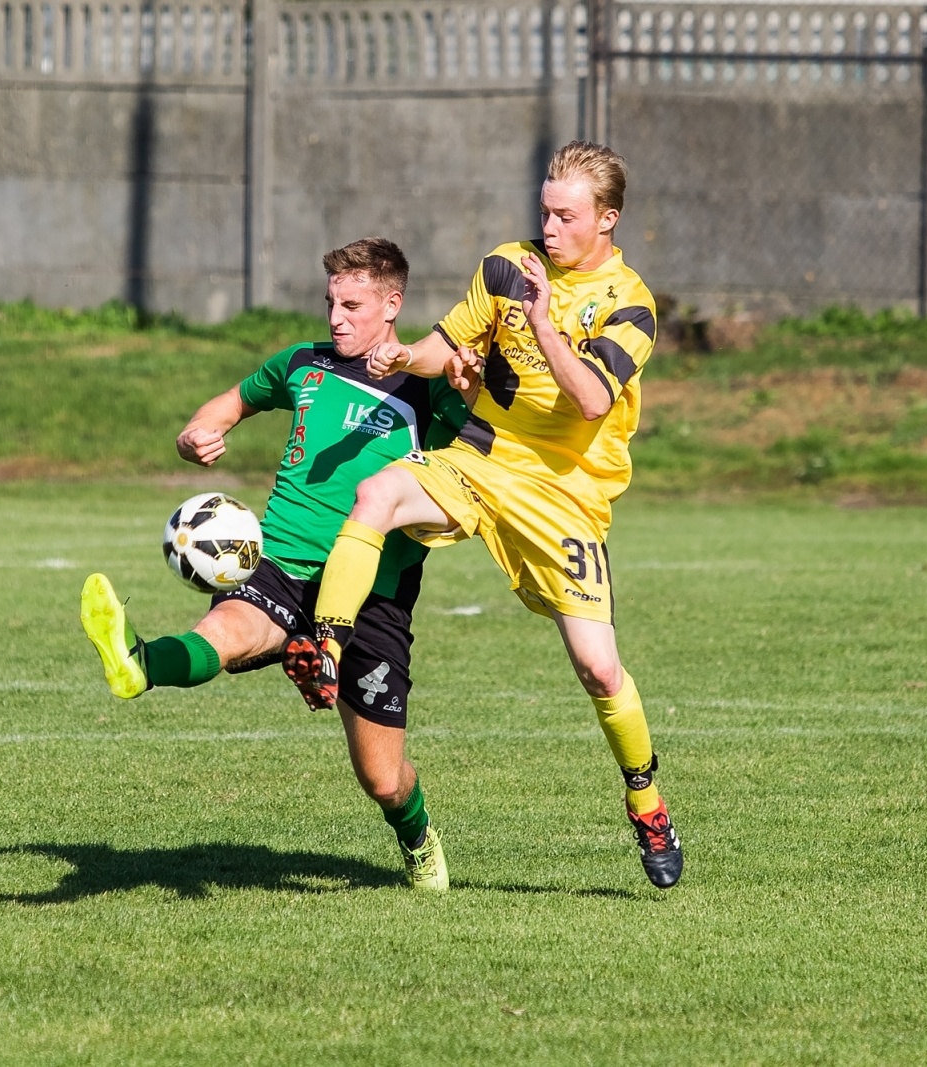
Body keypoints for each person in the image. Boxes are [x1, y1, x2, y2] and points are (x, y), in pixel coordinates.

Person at [283, 142, 683, 888]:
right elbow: (446, 345)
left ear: (607, 219)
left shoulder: (630, 302)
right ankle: (327, 648)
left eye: (565, 215)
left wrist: (542, 322)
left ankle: (647, 800)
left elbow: (590, 400)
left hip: (566, 493)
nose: (549, 226)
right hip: (480, 457)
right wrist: (406, 358)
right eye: (544, 210)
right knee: (378, 494)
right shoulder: (505, 265)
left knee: (599, 669)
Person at [79, 237, 467, 890]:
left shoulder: (426, 389)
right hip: (279, 560)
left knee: (381, 777)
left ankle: (417, 835)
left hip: (374, 591)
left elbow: (468, 471)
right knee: (225, 633)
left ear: (392, 303)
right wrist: (197, 432)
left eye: (352, 304)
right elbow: (230, 403)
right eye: (330, 303)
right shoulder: (302, 365)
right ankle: (137, 661)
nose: (336, 317)